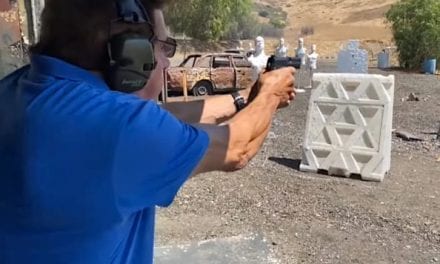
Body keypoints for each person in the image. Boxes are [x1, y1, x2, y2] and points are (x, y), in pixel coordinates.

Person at [0, 0, 296, 263]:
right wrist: (271, 95)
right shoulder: (121, 128)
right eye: (164, 47)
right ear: (129, 52)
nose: (166, 62)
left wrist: (241, 98)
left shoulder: (17, 90)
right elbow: (237, 148)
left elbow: (161, 116)